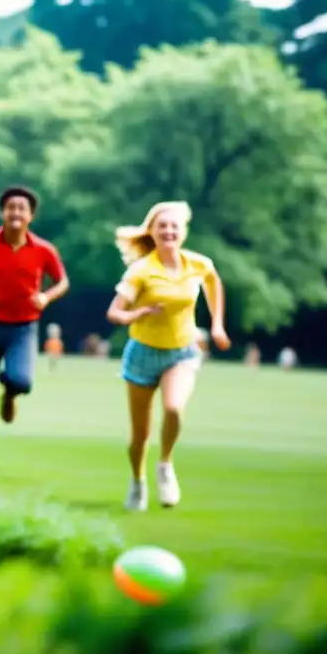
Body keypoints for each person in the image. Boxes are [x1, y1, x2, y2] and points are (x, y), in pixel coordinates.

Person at [106, 201, 230, 511]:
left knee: (174, 408)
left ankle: (165, 465)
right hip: (142, 355)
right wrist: (140, 312)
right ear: (152, 232)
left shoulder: (197, 264)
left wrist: (217, 326)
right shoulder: (142, 270)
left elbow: (214, 284)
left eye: (174, 226)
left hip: (182, 352)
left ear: (183, 232)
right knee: (139, 436)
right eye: (162, 226)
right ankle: (137, 482)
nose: (169, 231)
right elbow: (114, 313)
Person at [0, 186, 69, 473]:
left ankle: (9, 394)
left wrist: (46, 296)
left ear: (30, 215)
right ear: (2, 213)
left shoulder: (44, 250)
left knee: (21, 381)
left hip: (24, 327)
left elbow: (62, 281)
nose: (16, 212)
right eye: (10, 207)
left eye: (22, 208)